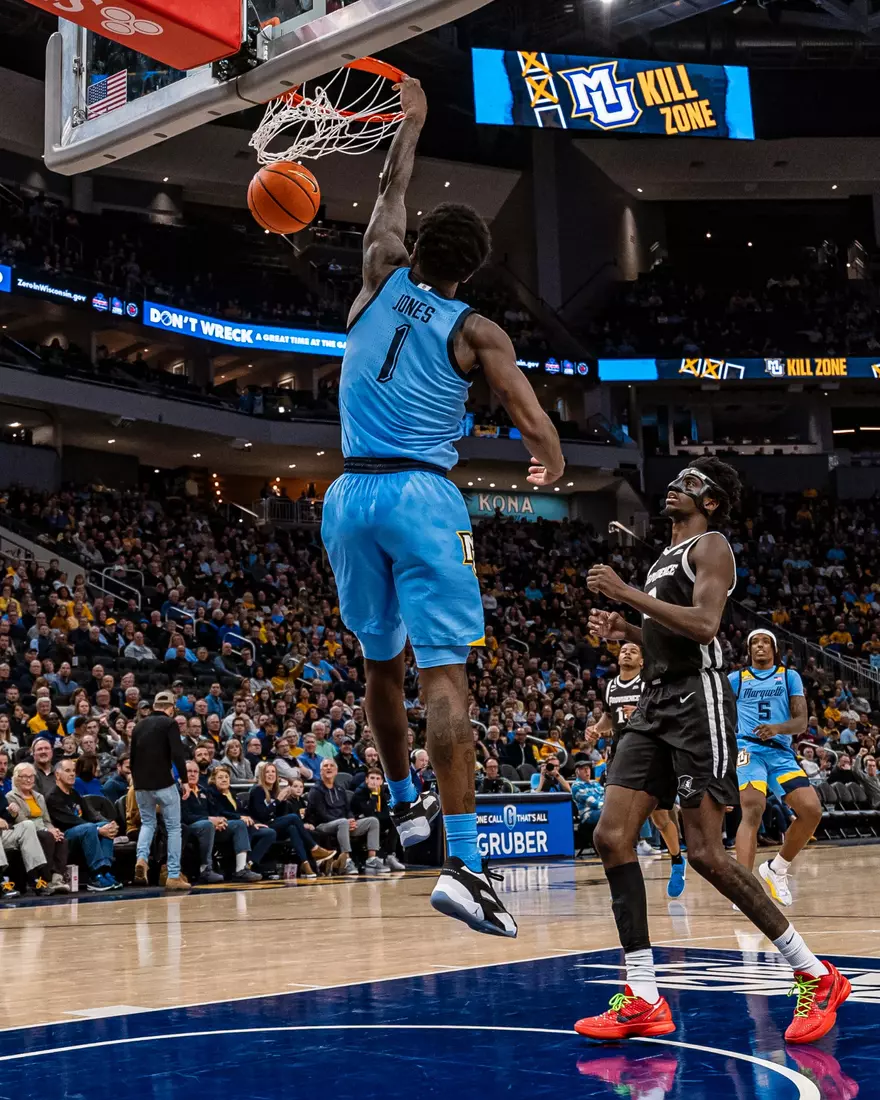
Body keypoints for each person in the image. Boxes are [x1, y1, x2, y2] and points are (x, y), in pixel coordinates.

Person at [320, 77, 563, 937]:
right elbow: (527, 408)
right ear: (471, 269)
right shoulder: (474, 328)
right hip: (421, 495)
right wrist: (550, 455)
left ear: (417, 246)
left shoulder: (376, 278)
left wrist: (411, 121)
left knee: (379, 667)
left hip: (346, 493)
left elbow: (391, 188)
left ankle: (405, 806)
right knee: (445, 676)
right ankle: (463, 860)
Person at [577, 459, 849, 1045]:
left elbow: (703, 625)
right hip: (653, 703)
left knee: (705, 852)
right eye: (676, 478)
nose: (676, 485)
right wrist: (625, 630)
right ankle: (645, 996)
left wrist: (625, 594)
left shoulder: (713, 544)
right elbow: (665, 638)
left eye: (691, 482)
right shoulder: (661, 559)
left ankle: (814, 972)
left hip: (697, 704)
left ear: (714, 501)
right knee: (610, 836)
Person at [731, 629, 820, 906]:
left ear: (774, 649)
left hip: (781, 753)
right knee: (753, 807)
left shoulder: (788, 676)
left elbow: (801, 722)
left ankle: (777, 868)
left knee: (811, 811)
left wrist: (777, 728)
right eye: (754, 643)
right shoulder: (736, 679)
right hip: (748, 749)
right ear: (749, 650)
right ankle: (743, 888)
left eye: (765, 642)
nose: (759, 647)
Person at [592, 641, 687, 900]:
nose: (627, 652)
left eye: (634, 650)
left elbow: (666, 714)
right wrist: (596, 729)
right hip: (621, 756)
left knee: (660, 817)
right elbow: (609, 719)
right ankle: (625, 870)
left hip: (651, 754)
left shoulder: (648, 684)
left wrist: (642, 712)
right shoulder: (611, 686)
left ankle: (677, 860)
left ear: (643, 661)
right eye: (624, 650)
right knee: (618, 817)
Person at [130, 690, 190, 890]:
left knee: (148, 823)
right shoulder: (169, 723)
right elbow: (177, 754)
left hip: (140, 785)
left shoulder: (138, 726)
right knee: (174, 828)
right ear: (171, 708)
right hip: (164, 782)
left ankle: (141, 859)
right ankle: (173, 875)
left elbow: (132, 758)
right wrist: (185, 780)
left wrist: (137, 783)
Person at [247, 761, 337, 877]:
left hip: (273, 825)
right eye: (267, 772)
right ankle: (314, 848)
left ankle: (305, 864)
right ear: (262, 775)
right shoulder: (257, 790)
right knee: (293, 817)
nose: (271, 774)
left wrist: (283, 801)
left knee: (292, 828)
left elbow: (279, 815)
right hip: (261, 826)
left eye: (273, 772)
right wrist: (278, 800)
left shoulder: (274, 792)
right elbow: (262, 815)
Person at [47, 758, 121, 892]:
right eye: (68, 771)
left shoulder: (75, 793)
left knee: (103, 825)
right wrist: (98, 829)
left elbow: (91, 815)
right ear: (57, 775)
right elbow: (71, 820)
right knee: (90, 828)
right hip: (65, 837)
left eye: (74, 771)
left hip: (84, 832)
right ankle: (95, 876)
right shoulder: (53, 797)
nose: (72, 774)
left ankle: (105, 871)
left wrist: (108, 824)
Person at [305, 758, 388, 876]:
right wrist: (344, 821)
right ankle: (346, 860)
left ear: (336, 770)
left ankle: (372, 859)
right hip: (323, 825)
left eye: (331, 766)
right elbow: (321, 814)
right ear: (321, 771)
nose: (329, 768)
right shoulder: (316, 790)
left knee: (372, 821)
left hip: (343, 824)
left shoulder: (340, 789)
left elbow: (347, 810)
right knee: (343, 822)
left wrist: (351, 819)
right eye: (325, 766)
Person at [8, 761, 70, 894]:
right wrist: (48, 831)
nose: (29, 779)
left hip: (43, 829)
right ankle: (44, 880)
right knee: (46, 836)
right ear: (16, 778)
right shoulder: (11, 797)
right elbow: (21, 820)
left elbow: (46, 820)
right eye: (24, 776)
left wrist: (53, 829)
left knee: (62, 839)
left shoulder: (39, 797)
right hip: (26, 832)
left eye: (31, 776)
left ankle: (57, 878)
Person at [0, 776, 52, 897]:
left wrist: (12, 813)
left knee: (27, 825)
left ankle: (34, 878)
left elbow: (6, 818)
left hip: (3, 835)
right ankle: (1, 882)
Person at [350, 768, 407, 871]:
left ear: (381, 781)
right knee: (374, 820)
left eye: (377, 779)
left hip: (376, 820)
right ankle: (372, 859)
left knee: (395, 819)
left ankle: (390, 856)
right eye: (372, 778)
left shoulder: (383, 792)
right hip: (360, 822)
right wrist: (374, 796)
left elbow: (387, 812)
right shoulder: (360, 792)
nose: (374, 781)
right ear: (366, 779)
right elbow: (368, 813)